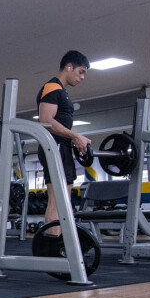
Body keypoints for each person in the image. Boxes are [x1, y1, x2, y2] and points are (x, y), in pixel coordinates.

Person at [37, 50, 91, 235]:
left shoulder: (61, 91)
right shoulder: (52, 87)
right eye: (81, 72)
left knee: (64, 201)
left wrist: (74, 139)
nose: (82, 77)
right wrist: (75, 136)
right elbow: (46, 121)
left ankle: (61, 244)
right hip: (54, 147)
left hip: (62, 147)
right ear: (69, 67)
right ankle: (53, 246)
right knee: (57, 201)